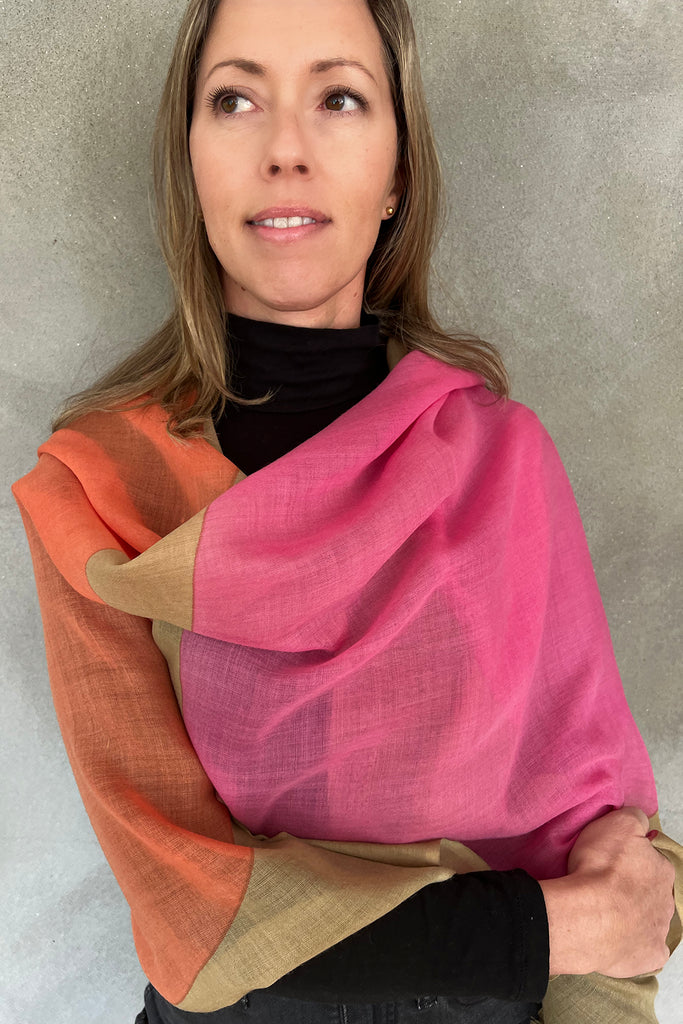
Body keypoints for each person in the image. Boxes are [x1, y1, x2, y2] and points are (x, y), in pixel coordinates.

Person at [12, 1, 680, 1022]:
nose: (285, 148)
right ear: (188, 163)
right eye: (235, 99)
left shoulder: (500, 460)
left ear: (396, 176)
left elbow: (613, 849)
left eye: (337, 98)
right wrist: (558, 927)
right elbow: (189, 914)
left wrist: (609, 913)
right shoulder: (97, 492)